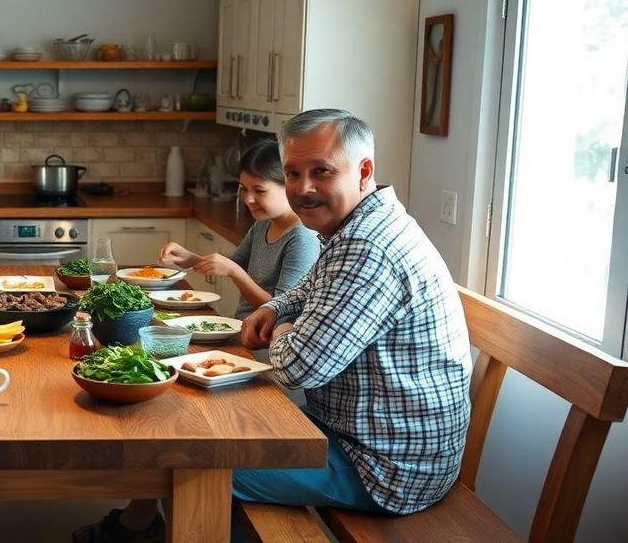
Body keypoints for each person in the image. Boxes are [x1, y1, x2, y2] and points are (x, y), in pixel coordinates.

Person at [73, 110, 472, 542]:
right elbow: (310, 289)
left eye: (321, 171)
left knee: (191, 462)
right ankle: (145, 526)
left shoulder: (366, 248)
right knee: (205, 426)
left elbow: (298, 367)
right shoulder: (362, 225)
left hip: (383, 467)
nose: (303, 188)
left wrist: (282, 329)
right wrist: (280, 307)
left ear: (364, 171)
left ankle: (145, 528)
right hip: (362, 438)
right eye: (293, 173)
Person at [157, 140, 320, 320]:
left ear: (290, 186)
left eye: (259, 191)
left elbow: (281, 310)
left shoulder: (302, 239)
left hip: (268, 344)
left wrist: (235, 273)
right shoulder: (263, 224)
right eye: (243, 189)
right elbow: (231, 265)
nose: (248, 199)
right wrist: (188, 258)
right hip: (243, 330)